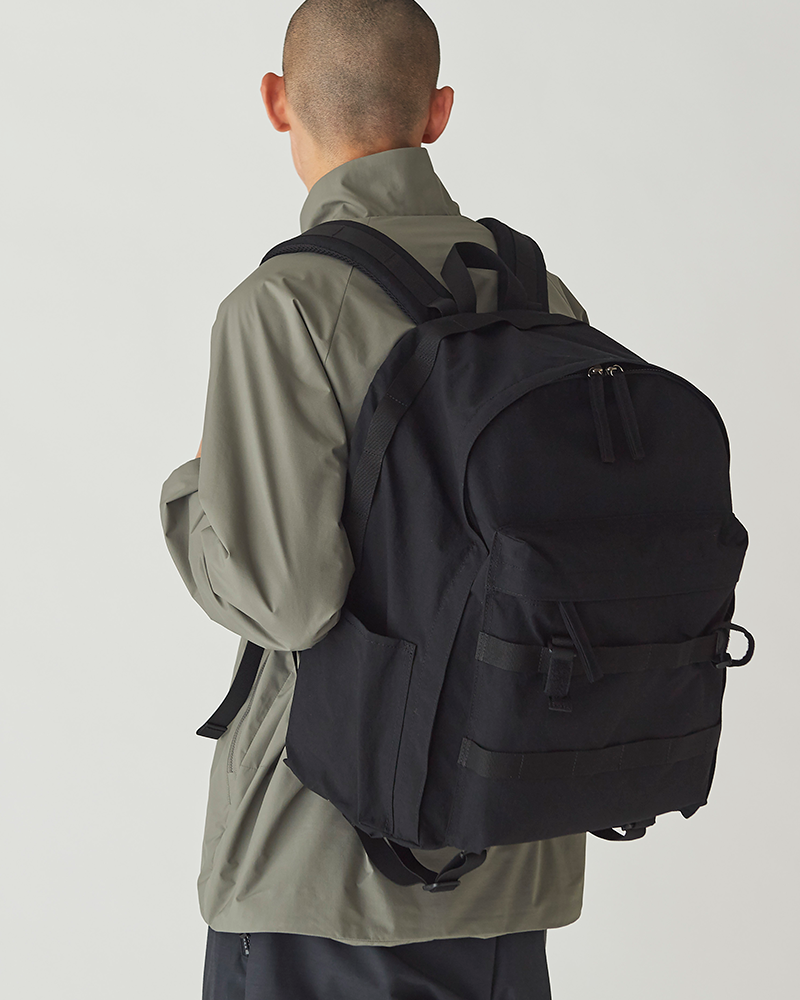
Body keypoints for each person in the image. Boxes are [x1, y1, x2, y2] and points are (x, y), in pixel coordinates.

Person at [160, 2, 590, 997]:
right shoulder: (542, 299)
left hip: (318, 859)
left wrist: (193, 491)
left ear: (277, 100)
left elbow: (287, 601)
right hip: (510, 848)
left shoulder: (284, 305)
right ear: (437, 112)